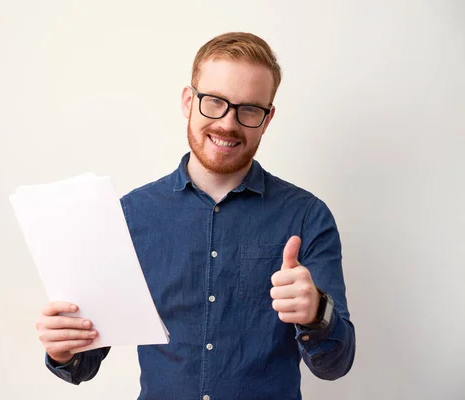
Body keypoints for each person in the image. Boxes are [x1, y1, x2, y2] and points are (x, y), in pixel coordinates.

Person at [34, 32, 356, 400]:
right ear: (189, 101)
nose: (228, 123)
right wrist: (63, 348)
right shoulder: (130, 216)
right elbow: (84, 362)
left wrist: (316, 311)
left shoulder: (307, 218)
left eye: (249, 108)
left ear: (267, 119)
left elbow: (335, 364)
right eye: (215, 101)